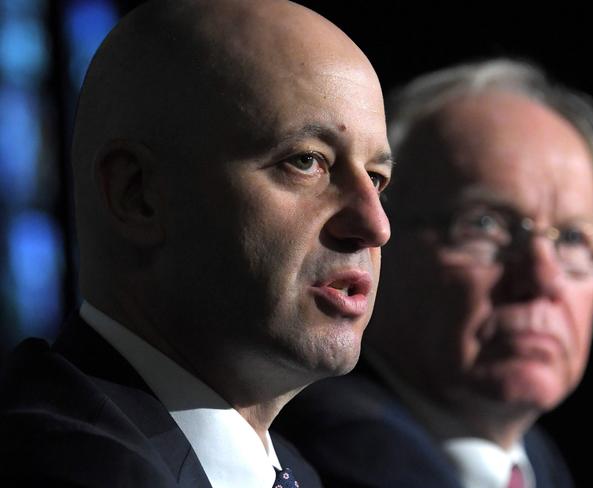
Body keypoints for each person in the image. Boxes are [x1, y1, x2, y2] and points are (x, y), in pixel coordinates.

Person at [0, 0, 394, 486]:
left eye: (376, 179)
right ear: (138, 194)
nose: (375, 225)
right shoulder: (70, 468)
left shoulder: (294, 471)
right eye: (306, 162)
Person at [275, 59, 593, 488]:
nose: (543, 279)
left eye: (572, 239)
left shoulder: (540, 463)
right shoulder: (335, 451)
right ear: (377, 233)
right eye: (485, 225)